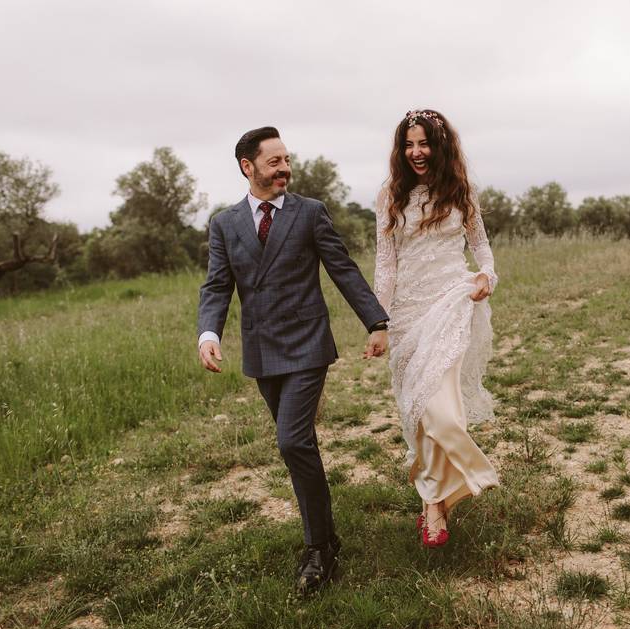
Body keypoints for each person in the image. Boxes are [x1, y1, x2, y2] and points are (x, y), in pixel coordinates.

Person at [197, 126, 389, 596]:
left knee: (291, 440)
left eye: (287, 160)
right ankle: (326, 535)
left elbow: (342, 268)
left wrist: (376, 322)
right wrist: (209, 332)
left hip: (307, 345)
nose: (284, 168)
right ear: (249, 167)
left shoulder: (309, 213)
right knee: (299, 447)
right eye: (274, 161)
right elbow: (218, 284)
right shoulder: (224, 224)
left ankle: (318, 549)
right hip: (262, 350)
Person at [372, 109, 500, 547]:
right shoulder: (389, 195)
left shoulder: (461, 191)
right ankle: (435, 503)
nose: (416, 152)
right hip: (407, 315)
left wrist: (486, 277)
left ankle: (439, 499)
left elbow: (481, 247)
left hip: (450, 304)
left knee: (443, 411)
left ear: (440, 146)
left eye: (424, 143)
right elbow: (386, 265)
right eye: (408, 144)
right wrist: (379, 320)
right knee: (422, 412)